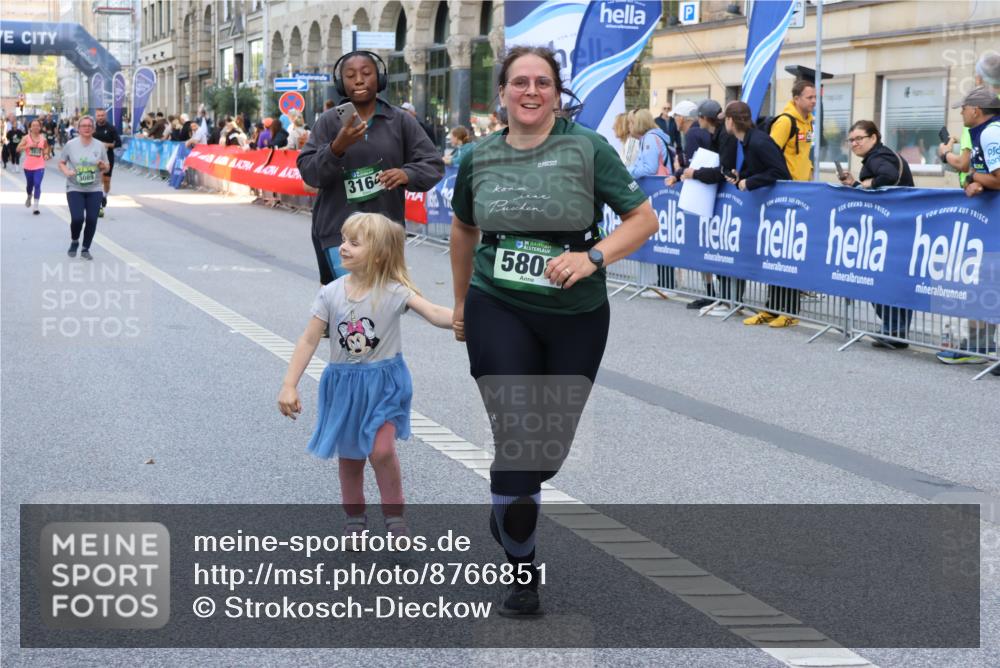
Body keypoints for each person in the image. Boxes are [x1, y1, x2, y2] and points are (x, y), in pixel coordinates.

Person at [448, 46, 658, 616]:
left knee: (546, 450)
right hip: (499, 304)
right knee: (518, 438)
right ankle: (522, 572)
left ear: (558, 92)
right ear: (503, 93)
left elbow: (643, 219)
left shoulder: (588, 148)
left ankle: (509, 499)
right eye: (521, 82)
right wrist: (463, 301)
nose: (532, 91)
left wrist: (593, 257)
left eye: (543, 82)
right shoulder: (478, 156)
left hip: (576, 313)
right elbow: (464, 230)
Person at [278, 213, 453, 539]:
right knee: (351, 458)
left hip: (385, 384)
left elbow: (434, 312)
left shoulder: (394, 290)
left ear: (378, 254)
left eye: (354, 243)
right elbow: (309, 339)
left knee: (382, 450)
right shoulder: (330, 293)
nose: (343, 248)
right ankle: (355, 518)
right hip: (343, 386)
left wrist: (464, 319)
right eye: (344, 240)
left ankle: (395, 515)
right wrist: (289, 384)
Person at [297, 50, 443, 287]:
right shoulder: (329, 121)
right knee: (355, 306)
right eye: (350, 75)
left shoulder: (400, 120)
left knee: (381, 309)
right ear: (341, 83)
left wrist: (407, 174)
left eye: (366, 73)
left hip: (385, 234)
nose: (359, 80)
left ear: (380, 79)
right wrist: (336, 148)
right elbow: (310, 173)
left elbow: (433, 164)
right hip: (339, 233)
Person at [744, 80, 816, 328]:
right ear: (796, 98)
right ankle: (772, 307)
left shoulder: (810, 122)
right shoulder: (786, 121)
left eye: (815, 97)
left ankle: (790, 310)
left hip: (801, 193)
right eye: (809, 97)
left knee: (790, 253)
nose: (813, 101)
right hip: (784, 191)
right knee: (775, 251)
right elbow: (771, 154)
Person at [936, 86, 1000, 366]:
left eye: (963, 108)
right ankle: (979, 344)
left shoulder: (990, 132)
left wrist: (975, 176)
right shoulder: (984, 132)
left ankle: (980, 345)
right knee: (984, 281)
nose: (961, 112)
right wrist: (978, 182)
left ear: (976, 110)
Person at [837, 120, 915, 349]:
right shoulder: (880, 155)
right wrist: (856, 185)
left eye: (859, 138)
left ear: (874, 137)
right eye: (850, 140)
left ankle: (894, 330)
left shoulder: (880, 157)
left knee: (881, 278)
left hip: (891, 228)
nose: (854, 143)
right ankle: (895, 331)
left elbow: (887, 178)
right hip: (893, 226)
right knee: (888, 278)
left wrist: (868, 182)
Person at [724, 99, 792, 320]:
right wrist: (740, 176)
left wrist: (750, 183)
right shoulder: (747, 141)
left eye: (725, 119)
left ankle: (788, 311)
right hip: (767, 208)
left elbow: (780, 172)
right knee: (771, 256)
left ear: (731, 121)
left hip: (781, 206)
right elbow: (757, 169)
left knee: (781, 257)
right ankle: (773, 308)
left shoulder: (760, 141)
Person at [682, 99, 737, 313]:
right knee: (716, 246)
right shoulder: (717, 135)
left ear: (705, 118)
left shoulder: (725, 136)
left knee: (725, 247)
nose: (697, 121)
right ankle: (720, 297)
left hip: (727, 196)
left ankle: (728, 299)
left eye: (699, 117)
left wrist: (694, 174)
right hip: (716, 197)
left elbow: (721, 171)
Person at [59, 116, 110, 260]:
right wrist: (67, 171)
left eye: (89, 126)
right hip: (74, 186)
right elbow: (62, 162)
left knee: (92, 219)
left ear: (93, 129)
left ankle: (86, 248)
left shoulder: (99, 145)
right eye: (84, 126)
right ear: (78, 128)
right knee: (77, 218)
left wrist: (103, 166)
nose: (87, 128)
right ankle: (75, 240)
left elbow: (107, 166)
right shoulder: (70, 145)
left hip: (94, 188)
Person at [92, 108, 121, 218]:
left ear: (106, 116)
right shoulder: (92, 127)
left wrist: (107, 145)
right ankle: (99, 204)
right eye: (99, 115)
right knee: (98, 179)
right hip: (94, 157)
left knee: (106, 180)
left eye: (102, 115)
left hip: (108, 157)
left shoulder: (111, 128)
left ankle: (104, 195)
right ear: (96, 116)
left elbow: (118, 143)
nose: (100, 117)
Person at [17, 118, 50, 215]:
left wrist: (46, 154)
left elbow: (46, 148)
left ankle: (36, 207)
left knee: (37, 184)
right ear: (30, 128)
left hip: (40, 166)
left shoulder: (43, 138)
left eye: (37, 125)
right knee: (29, 186)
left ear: (40, 127)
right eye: (33, 125)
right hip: (28, 166)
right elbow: (18, 149)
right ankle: (29, 195)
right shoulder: (26, 138)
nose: (36, 127)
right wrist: (28, 146)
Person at [673, 99, 712, 170]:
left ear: (681, 118)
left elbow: (692, 169)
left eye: (674, 116)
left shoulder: (693, 134)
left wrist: (678, 170)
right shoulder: (699, 130)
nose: (674, 119)